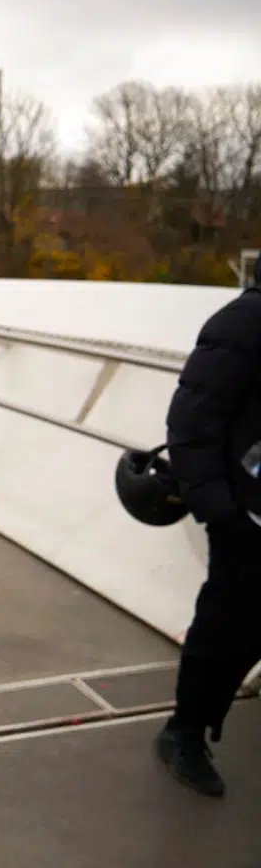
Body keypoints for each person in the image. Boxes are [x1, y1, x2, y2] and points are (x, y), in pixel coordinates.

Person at [158, 257, 261, 797]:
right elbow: (192, 421)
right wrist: (221, 512)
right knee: (224, 628)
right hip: (246, 519)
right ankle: (185, 733)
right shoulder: (243, 322)